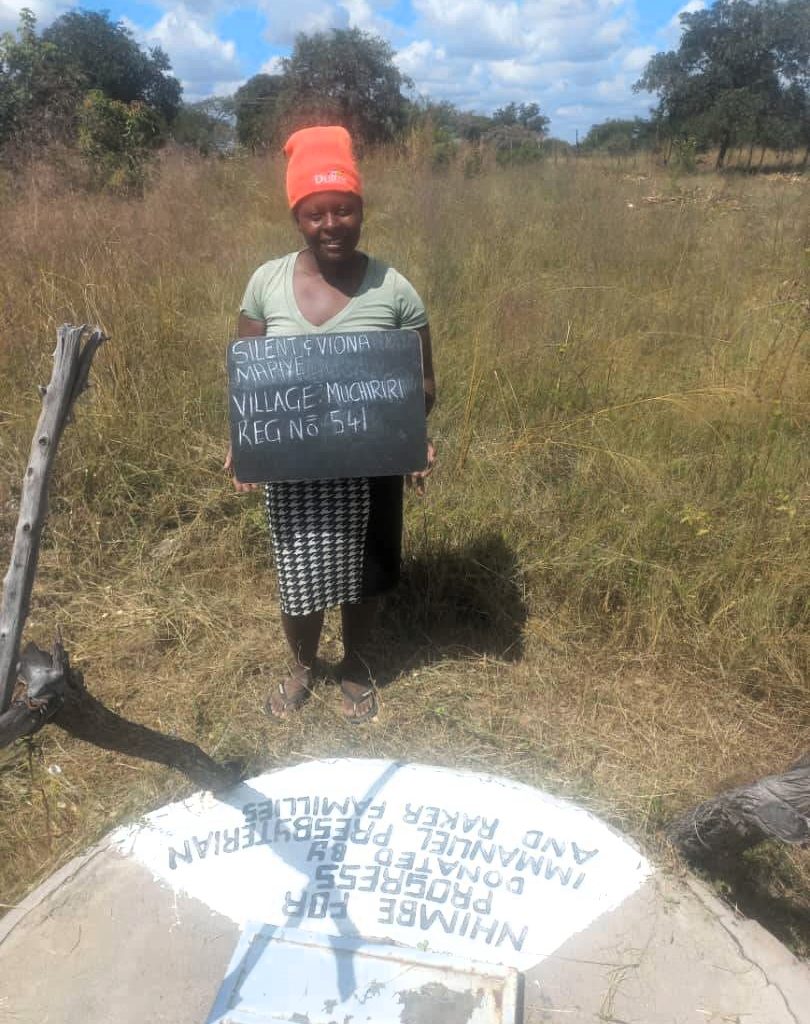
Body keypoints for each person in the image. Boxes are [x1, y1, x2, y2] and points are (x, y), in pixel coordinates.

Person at [224, 125, 435, 724]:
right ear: (297, 218)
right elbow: (249, 382)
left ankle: (356, 668)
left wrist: (410, 435)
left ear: (361, 211)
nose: (331, 224)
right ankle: (302, 666)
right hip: (293, 463)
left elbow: (423, 384)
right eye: (315, 213)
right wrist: (244, 443)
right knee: (299, 574)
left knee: (366, 571)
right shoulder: (266, 283)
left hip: (372, 464)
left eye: (343, 209)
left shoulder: (394, 289)